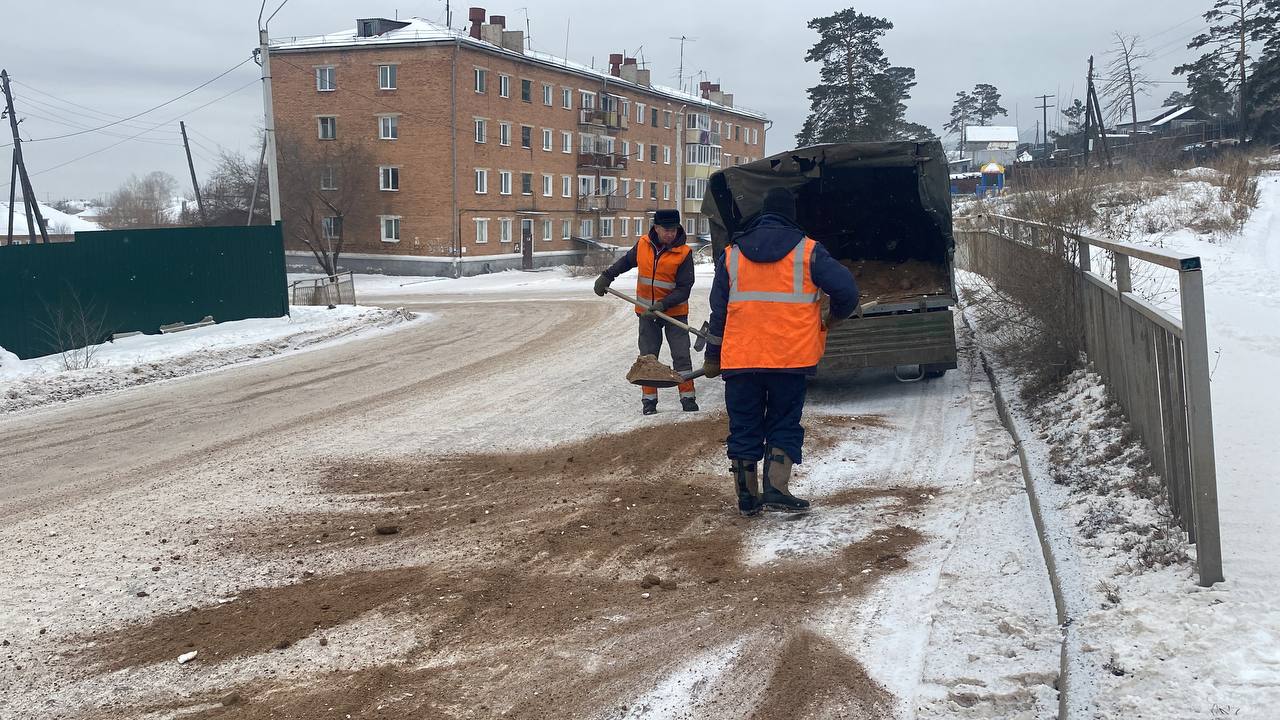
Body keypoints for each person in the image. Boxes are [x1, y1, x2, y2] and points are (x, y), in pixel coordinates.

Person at [703, 187, 859, 515]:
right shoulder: (809, 252)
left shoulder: (731, 254)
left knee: (744, 424)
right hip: (790, 360)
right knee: (783, 421)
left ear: (764, 212)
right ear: (792, 214)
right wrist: (834, 317)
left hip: (742, 360)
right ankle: (776, 488)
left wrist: (712, 356)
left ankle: (746, 496)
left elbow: (718, 312)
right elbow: (847, 291)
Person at [593, 208, 697, 415]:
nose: (670, 234)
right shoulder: (643, 245)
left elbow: (684, 288)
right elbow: (625, 262)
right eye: (666, 230)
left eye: (673, 230)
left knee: (681, 356)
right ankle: (649, 401)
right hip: (646, 314)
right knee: (648, 358)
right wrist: (607, 276)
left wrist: (662, 305)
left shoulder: (684, 253)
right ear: (656, 228)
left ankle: (688, 398)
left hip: (673, 313)